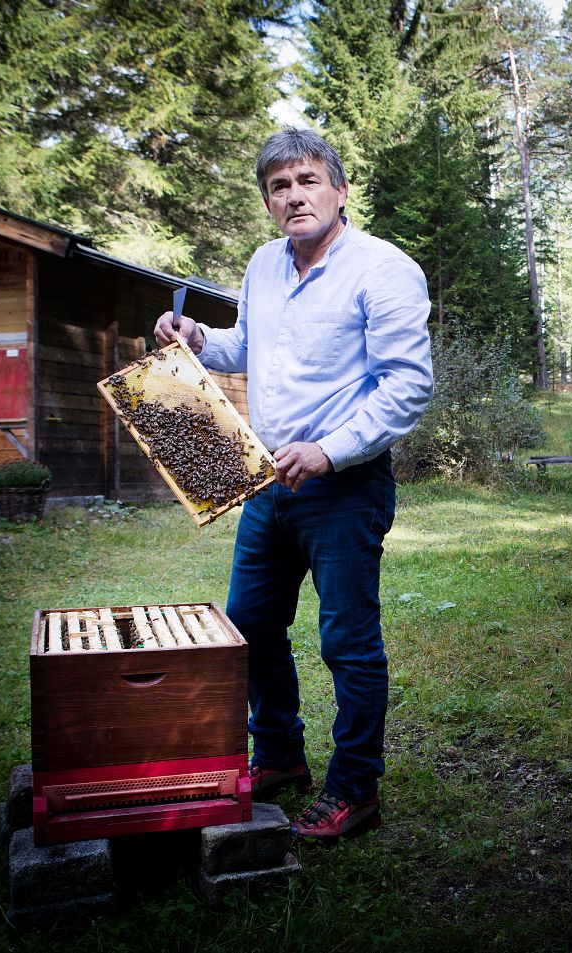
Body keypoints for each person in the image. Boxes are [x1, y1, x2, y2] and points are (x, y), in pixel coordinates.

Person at [154, 127, 432, 840]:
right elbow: (248, 345)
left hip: (345, 485)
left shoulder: (385, 268)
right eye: (279, 187)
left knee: (347, 640)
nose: (294, 196)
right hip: (267, 481)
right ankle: (278, 756)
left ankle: (355, 788)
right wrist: (197, 339)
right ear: (269, 203)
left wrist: (330, 450)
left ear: (340, 190)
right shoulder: (262, 266)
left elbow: (407, 386)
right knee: (246, 625)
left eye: (308, 180)